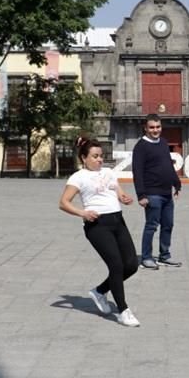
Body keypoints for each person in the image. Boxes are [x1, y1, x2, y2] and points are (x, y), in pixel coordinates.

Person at [59, 138, 140, 327]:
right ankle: (123, 311)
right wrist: (82, 213)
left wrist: (124, 197)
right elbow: (63, 203)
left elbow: (118, 192)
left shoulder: (109, 172)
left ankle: (99, 291)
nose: (100, 160)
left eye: (101, 156)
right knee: (116, 265)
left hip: (118, 221)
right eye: (95, 156)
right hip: (97, 225)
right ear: (84, 158)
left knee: (131, 265)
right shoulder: (78, 177)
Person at [132, 114, 182, 269]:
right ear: (145, 128)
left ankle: (164, 255)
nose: (155, 130)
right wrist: (141, 195)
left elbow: (168, 165)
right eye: (152, 127)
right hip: (152, 194)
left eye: (158, 127)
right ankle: (146, 257)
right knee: (151, 226)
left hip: (167, 193)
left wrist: (177, 184)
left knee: (168, 225)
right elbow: (137, 172)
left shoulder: (163, 142)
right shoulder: (141, 146)